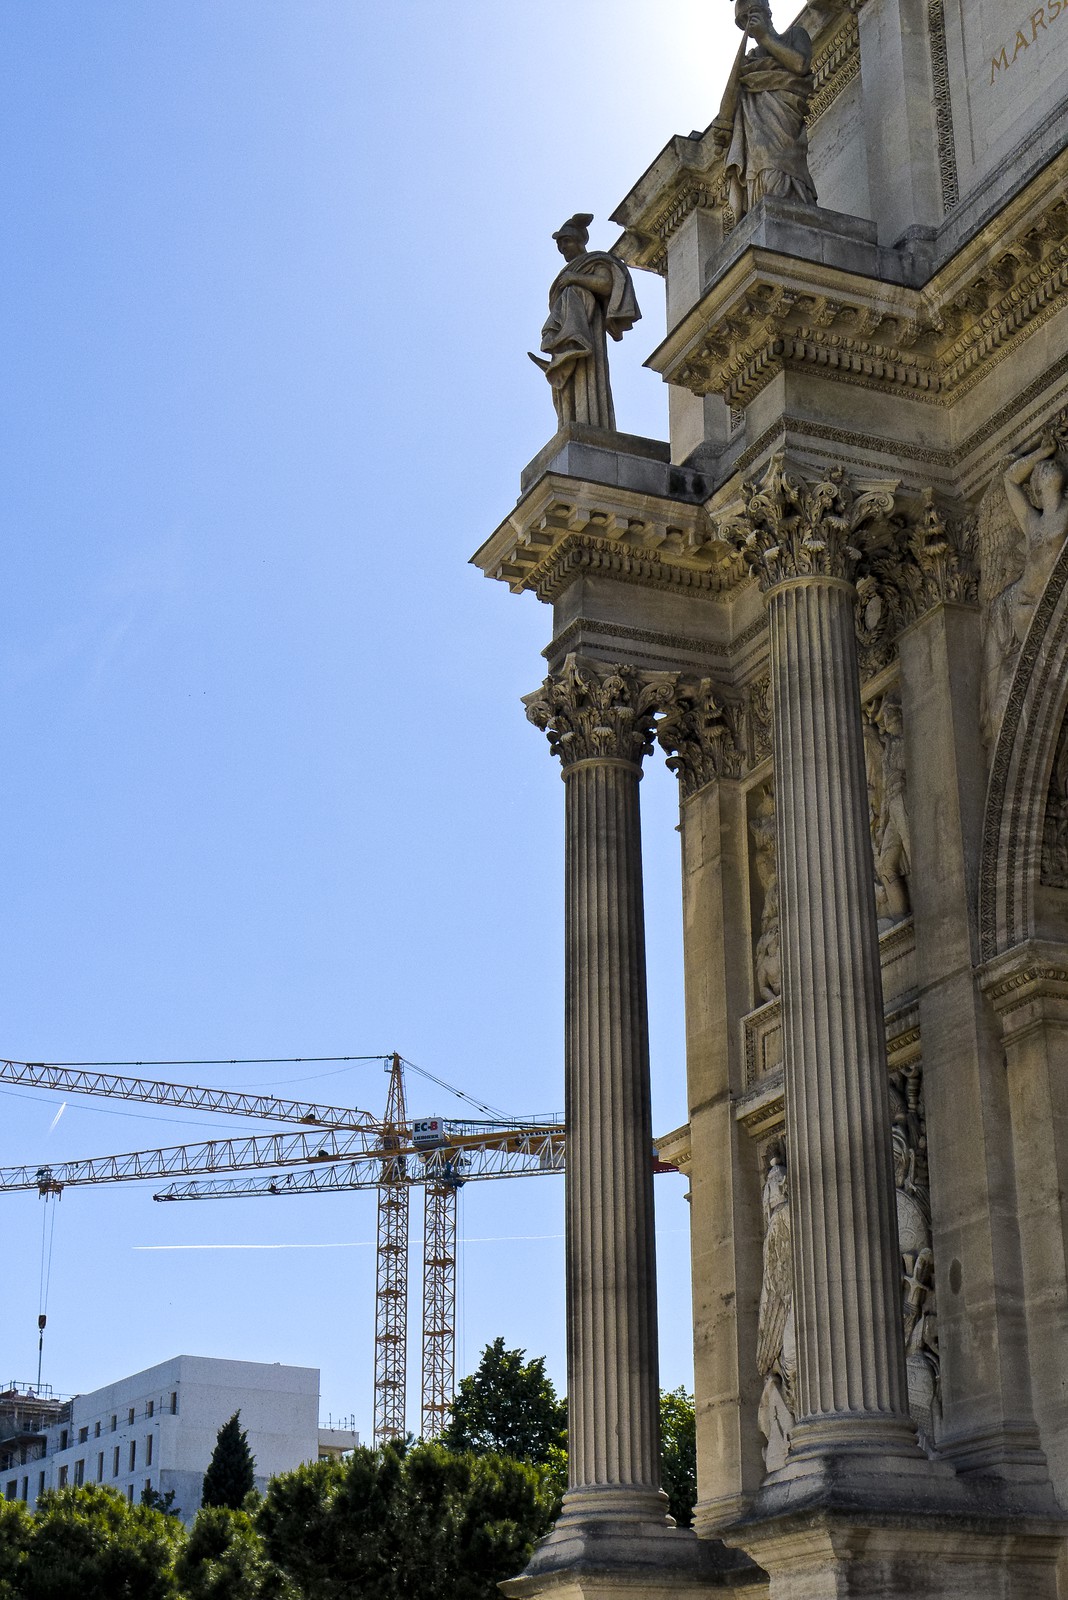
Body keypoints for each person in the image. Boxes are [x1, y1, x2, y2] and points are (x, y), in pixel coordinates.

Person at [530, 213, 640, 431]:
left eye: (567, 242)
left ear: (580, 240)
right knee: (568, 384)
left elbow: (606, 284)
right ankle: (566, 348)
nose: (564, 250)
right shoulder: (571, 271)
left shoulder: (595, 261)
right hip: (568, 329)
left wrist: (574, 280)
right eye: (560, 247)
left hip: (589, 328)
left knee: (588, 378)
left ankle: (572, 344)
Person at [720, 0, 816, 222]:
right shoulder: (749, 62)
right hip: (757, 136)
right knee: (762, 175)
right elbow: (730, 107)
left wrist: (765, 37)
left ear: (767, 13)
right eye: (742, 20)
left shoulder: (795, 36)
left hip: (785, 123)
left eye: (751, 14)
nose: (748, 22)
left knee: (781, 171)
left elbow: (800, 64)